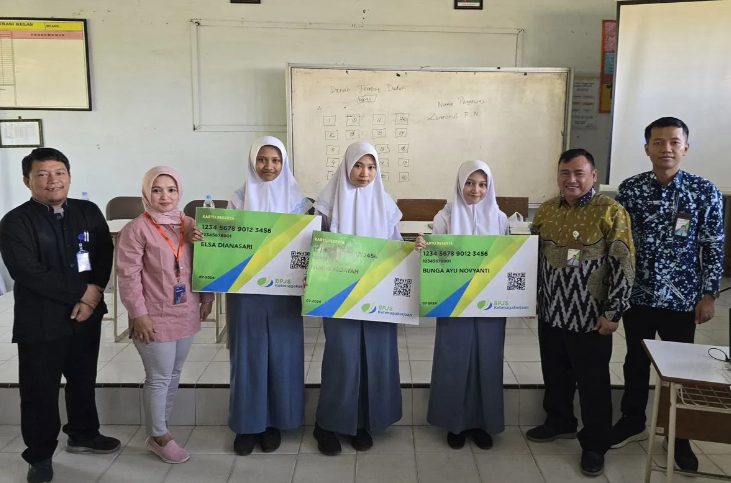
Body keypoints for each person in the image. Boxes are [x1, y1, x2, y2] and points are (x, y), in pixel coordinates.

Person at [611, 117, 724, 471]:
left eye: (674, 142)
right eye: (658, 142)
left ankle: (679, 436)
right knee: (635, 360)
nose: (667, 149)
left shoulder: (704, 191)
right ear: (647, 148)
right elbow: (619, 245)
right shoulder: (630, 190)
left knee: (680, 368)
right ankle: (632, 421)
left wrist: (709, 295)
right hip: (638, 295)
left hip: (682, 300)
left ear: (685, 148)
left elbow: (713, 245)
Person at [0, 148, 120, 483]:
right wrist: (81, 293)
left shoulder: (87, 212)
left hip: (86, 316)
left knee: (82, 380)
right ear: (28, 180)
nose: (53, 180)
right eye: (43, 174)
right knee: (39, 390)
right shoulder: (15, 222)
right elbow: (27, 271)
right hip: (40, 320)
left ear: (69, 175)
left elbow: (102, 254)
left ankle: (83, 432)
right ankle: (39, 455)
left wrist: (94, 291)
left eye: (59, 172)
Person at [527, 148, 635, 477]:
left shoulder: (611, 212)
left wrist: (613, 313)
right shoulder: (546, 211)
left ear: (593, 176)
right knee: (555, 372)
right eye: (565, 173)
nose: (571, 179)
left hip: (591, 316)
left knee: (593, 382)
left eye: (578, 173)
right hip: (551, 312)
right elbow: (531, 258)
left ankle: (594, 443)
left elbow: (624, 263)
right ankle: (559, 421)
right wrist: (527, 299)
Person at [312, 141, 405, 455]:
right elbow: (312, 244)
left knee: (375, 356)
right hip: (338, 295)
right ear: (346, 166)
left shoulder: (385, 203)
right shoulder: (327, 203)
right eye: (358, 166)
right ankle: (328, 424)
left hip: (378, 296)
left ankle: (363, 423)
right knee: (343, 358)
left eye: (371, 166)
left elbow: (396, 248)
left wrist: (413, 250)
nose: (364, 173)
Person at [116, 166, 213, 464]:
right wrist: (138, 314)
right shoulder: (136, 229)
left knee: (173, 373)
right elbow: (127, 276)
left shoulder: (188, 223)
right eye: (157, 190)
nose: (164, 196)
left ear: (180, 192)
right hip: (153, 315)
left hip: (185, 311)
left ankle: (162, 428)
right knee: (158, 377)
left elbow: (205, 261)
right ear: (146, 193)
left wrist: (207, 296)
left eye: (171, 190)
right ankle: (158, 436)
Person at [226, 136, 312, 455]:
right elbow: (227, 245)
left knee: (282, 354)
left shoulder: (299, 203)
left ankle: (276, 421)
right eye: (262, 160)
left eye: (275, 160)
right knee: (248, 356)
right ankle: (247, 425)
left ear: (284, 163)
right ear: (252, 162)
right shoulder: (236, 200)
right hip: (245, 291)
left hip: (284, 291)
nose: (269, 166)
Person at [424, 160, 509, 450]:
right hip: (454, 302)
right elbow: (436, 259)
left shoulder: (500, 219)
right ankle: (454, 423)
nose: (476, 190)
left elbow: (507, 260)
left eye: (483, 184)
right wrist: (427, 249)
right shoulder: (444, 217)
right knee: (454, 359)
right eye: (470, 183)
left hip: (490, 304)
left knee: (487, 359)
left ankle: (483, 423)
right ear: (460, 185)